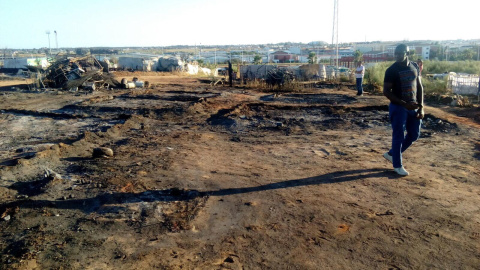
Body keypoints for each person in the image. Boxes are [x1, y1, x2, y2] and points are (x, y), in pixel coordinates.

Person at [382, 44, 424, 176]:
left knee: (414, 135)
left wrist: (421, 107)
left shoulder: (414, 66)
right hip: (398, 107)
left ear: (407, 53)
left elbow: (420, 87)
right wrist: (404, 104)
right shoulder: (391, 70)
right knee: (398, 136)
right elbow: (386, 91)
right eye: (396, 53)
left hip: (413, 107)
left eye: (400, 53)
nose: (397, 56)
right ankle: (397, 165)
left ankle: (392, 154)